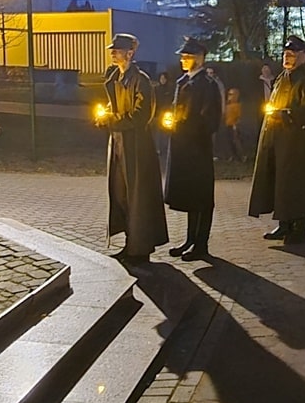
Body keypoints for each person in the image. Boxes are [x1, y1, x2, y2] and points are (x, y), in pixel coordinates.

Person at [94, 33, 169, 261]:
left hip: (136, 146)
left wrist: (112, 119)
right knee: (121, 195)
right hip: (119, 143)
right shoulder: (116, 77)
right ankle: (131, 243)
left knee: (138, 196)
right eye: (112, 49)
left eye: (117, 50)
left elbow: (141, 115)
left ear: (130, 53)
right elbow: (115, 106)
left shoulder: (141, 80)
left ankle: (140, 248)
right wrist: (106, 116)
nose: (112, 53)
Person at [249, 36, 305, 243]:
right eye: (285, 54)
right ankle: (284, 224)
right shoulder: (282, 78)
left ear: (303, 56)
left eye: (292, 54)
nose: (287, 58)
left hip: (297, 143)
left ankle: (299, 229)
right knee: (280, 182)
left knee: (296, 184)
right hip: (277, 139)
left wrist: (285, 115)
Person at [163, 37, 223, 261]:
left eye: (187, 57)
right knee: (190, 195)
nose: (183, 60)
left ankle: (201, 244)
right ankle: (190, 240)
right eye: (182, 57)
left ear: (199, 59)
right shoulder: (183, 82)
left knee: (201, 196)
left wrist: (186, 127)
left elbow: (210, 119)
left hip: (197, 148)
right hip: (183, 146)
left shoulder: (207, 85)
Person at [221, 87, 246, 161]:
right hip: (228, 125)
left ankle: (241, 156)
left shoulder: (237, 106)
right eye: (229, 94)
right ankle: (232, 155)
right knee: (229, 141)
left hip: (234, 126)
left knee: (236, 141)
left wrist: (236, 125)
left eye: (232, 94)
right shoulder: (227, 106)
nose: (230, 96)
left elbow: (238, 116)